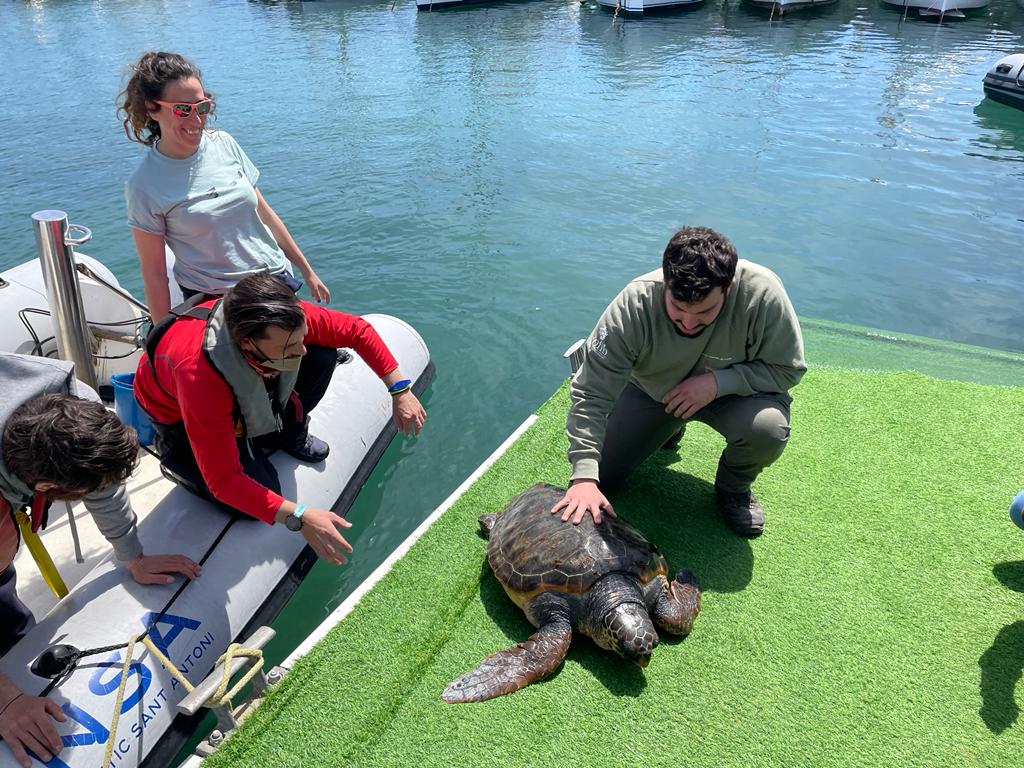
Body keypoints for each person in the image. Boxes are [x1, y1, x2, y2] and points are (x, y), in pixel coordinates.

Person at [134, 272, 426, 565]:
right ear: (247, 344)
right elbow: (223, 480)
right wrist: (299, 516)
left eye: (300, 338)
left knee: (322, 355)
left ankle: (283, 432)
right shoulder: (198, 377)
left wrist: (399, 390)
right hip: (180, 414)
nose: (301, 349)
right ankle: (180, 462)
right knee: (258, 499)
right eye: (289, 348)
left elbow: (357, 330)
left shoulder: (283, 319)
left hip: (240, 380)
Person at [0, 352, 200, 768]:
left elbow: (102, 482)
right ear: (44, 486)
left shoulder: (75, 402)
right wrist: (6, 702)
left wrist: (132, 554)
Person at [551, 226, 806, 538]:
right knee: (602, 475)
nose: (688, 323)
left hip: (733, 395)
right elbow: (591, 392)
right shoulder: (634, 303)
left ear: (728, 288)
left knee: (768, 430)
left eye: (704, 311)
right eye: (678, 308)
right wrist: (584, 478)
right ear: (666, 282)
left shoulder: (762, 294)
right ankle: (669, 426)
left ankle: (733, 489)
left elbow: (788, 370)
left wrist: (718, 383)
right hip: (654, 392)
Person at [117, 51, 330, 323]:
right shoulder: (145, 184)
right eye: (182, 109)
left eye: (202, 107)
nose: (196, 120)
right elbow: (155, 274)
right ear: (152, 109)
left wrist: (307, 271)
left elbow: (266, 215)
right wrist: (161, 338)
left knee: (327, 345)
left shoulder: (224, 144)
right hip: (215, 300)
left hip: (273, 281)